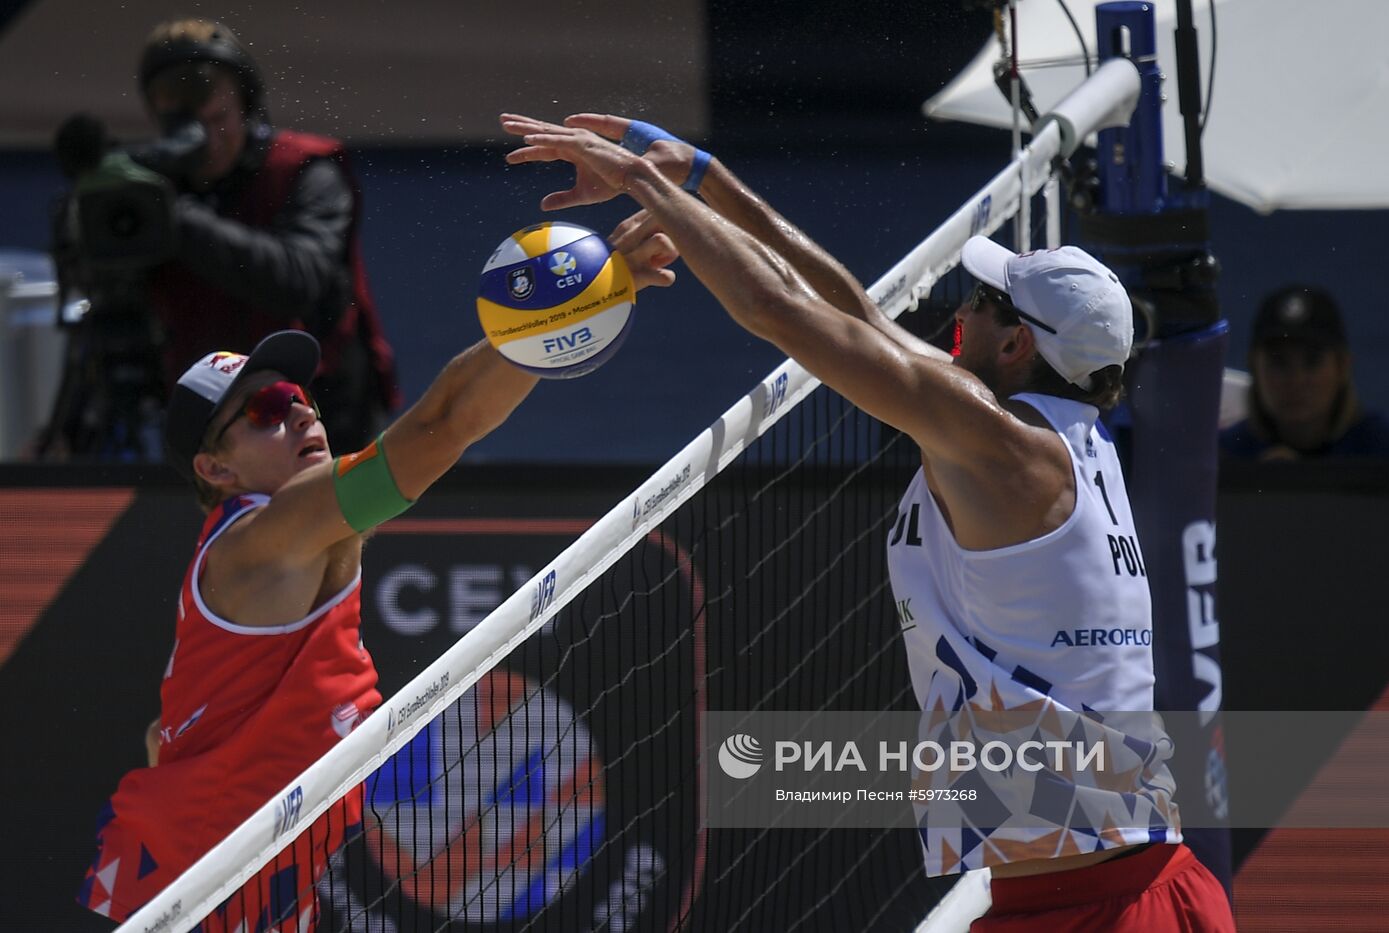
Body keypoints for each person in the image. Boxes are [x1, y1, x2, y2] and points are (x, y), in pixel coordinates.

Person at [500, 112, 1235, 931]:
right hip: (1106, 885)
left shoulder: (999, 444)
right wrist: (701, 173)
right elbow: (851, 310)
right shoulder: (1053, 434)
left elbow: (778, 309)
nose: (964, 310)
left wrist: (641, 183)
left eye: (984, 302)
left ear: (1017, 343)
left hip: (1108, 906)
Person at [76, 233, 678, 927]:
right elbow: (441, 425)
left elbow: (162, 734)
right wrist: (564, 306)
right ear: (216, 470)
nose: (301, 409)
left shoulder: (271, 543)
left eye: (299, 394)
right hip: (203, 885)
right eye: (267, 409)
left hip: (234, 866)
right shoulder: (267, 536)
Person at [47, 18, 400, 459]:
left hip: (322, 417)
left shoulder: (306, 170)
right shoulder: (145, 188)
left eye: (220, 119)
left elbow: (297, 278)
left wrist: (174, 216)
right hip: (209, 422)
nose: (211, 140)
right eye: (191, 126)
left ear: (246, 105)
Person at [1220, 285, 1389, 460]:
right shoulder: (1223, 457)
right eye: (1278, 363)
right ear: (1254, 368)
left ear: (1342, 367)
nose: (1296, 381)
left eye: (1313, 362)